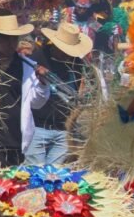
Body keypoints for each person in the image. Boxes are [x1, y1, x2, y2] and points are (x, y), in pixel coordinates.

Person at [0, 13, 50, 167]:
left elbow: (36, 103)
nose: (11, 43)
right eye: (6, 38)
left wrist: (43, 83)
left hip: (16, 138)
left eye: (14, 39)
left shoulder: (28, 66)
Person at [25, 23, 94, 166]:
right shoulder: (37, 58)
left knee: (55, 178)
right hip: (37, 127)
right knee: (33, 175)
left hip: (63, 129)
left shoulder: (77, 63)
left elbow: (79, 88)